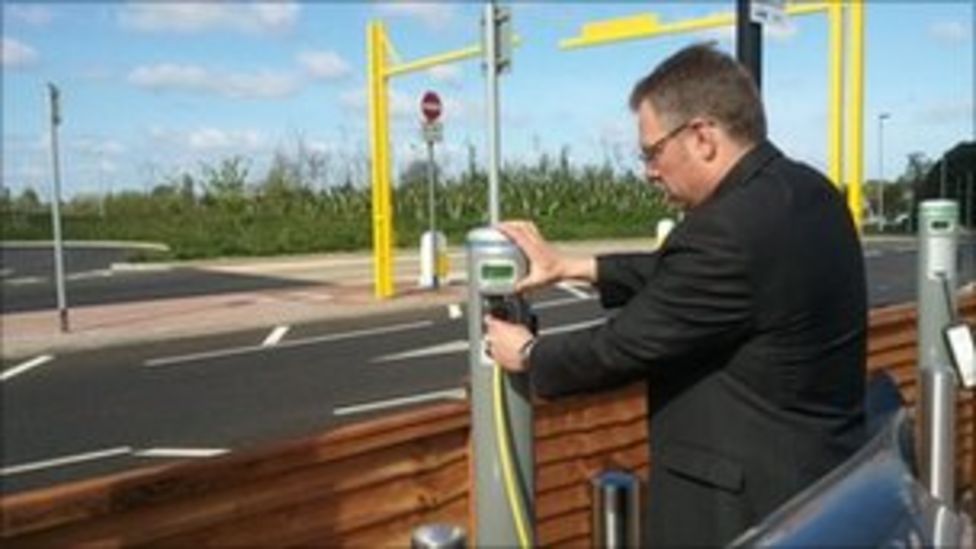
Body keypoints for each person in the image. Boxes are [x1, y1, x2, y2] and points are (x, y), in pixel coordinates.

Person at [485, 43, 867, 547]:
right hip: (822, 483)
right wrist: (573, 266)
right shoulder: (806, 192)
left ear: (703, 137)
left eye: (652, 151)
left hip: (746, 510)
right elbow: (695, 280)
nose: (648, 171)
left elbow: (623, 346)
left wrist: (530, 355)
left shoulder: (726, 230)